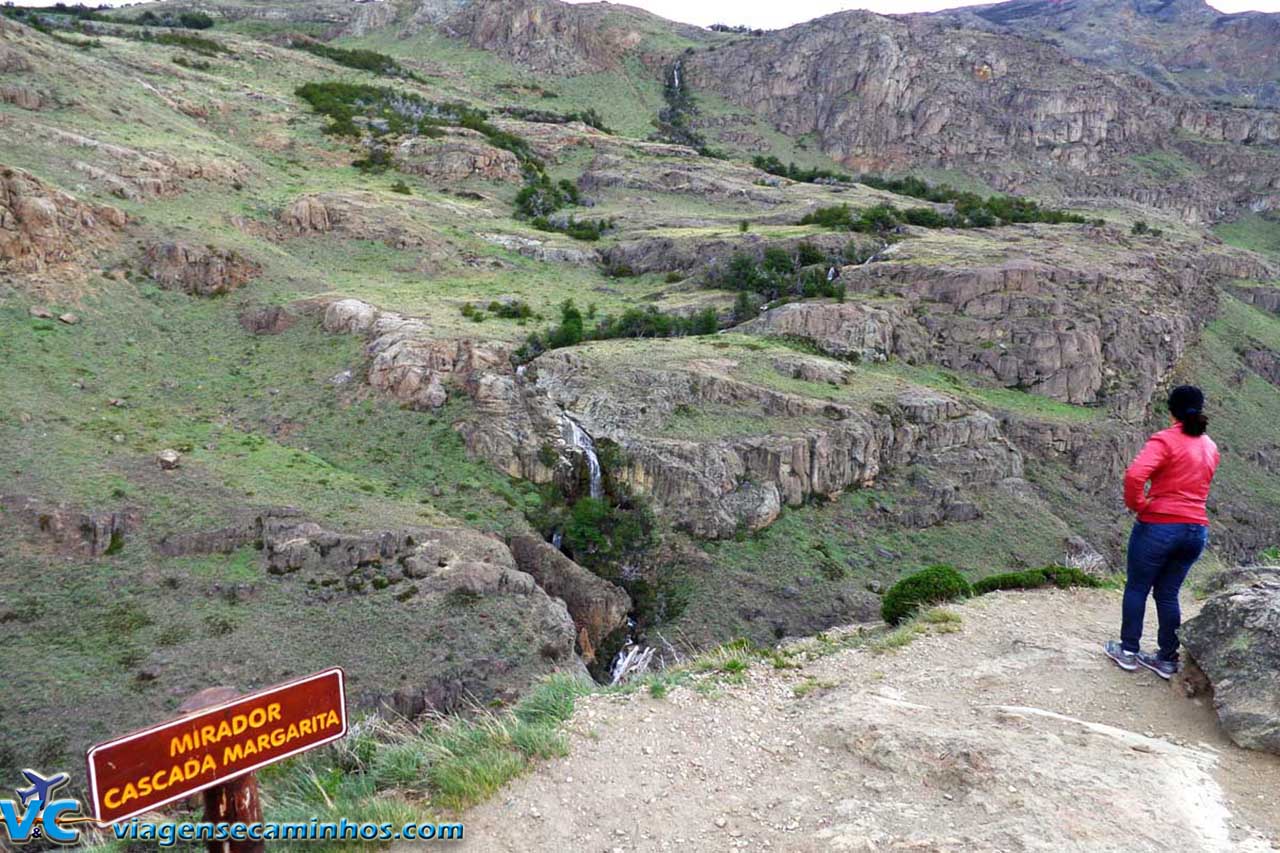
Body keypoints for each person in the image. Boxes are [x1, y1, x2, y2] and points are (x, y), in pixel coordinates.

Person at [1105, 385, 1219, 679]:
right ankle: (1167, 659)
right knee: (1168, 594)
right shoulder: (1210, 446)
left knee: (1138, 587)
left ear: (1171, 410)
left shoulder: (1166, 440)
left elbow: (1134, 475)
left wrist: (1139, 504)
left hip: (1160, 525)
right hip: (1196, 530)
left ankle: (1128, 651)